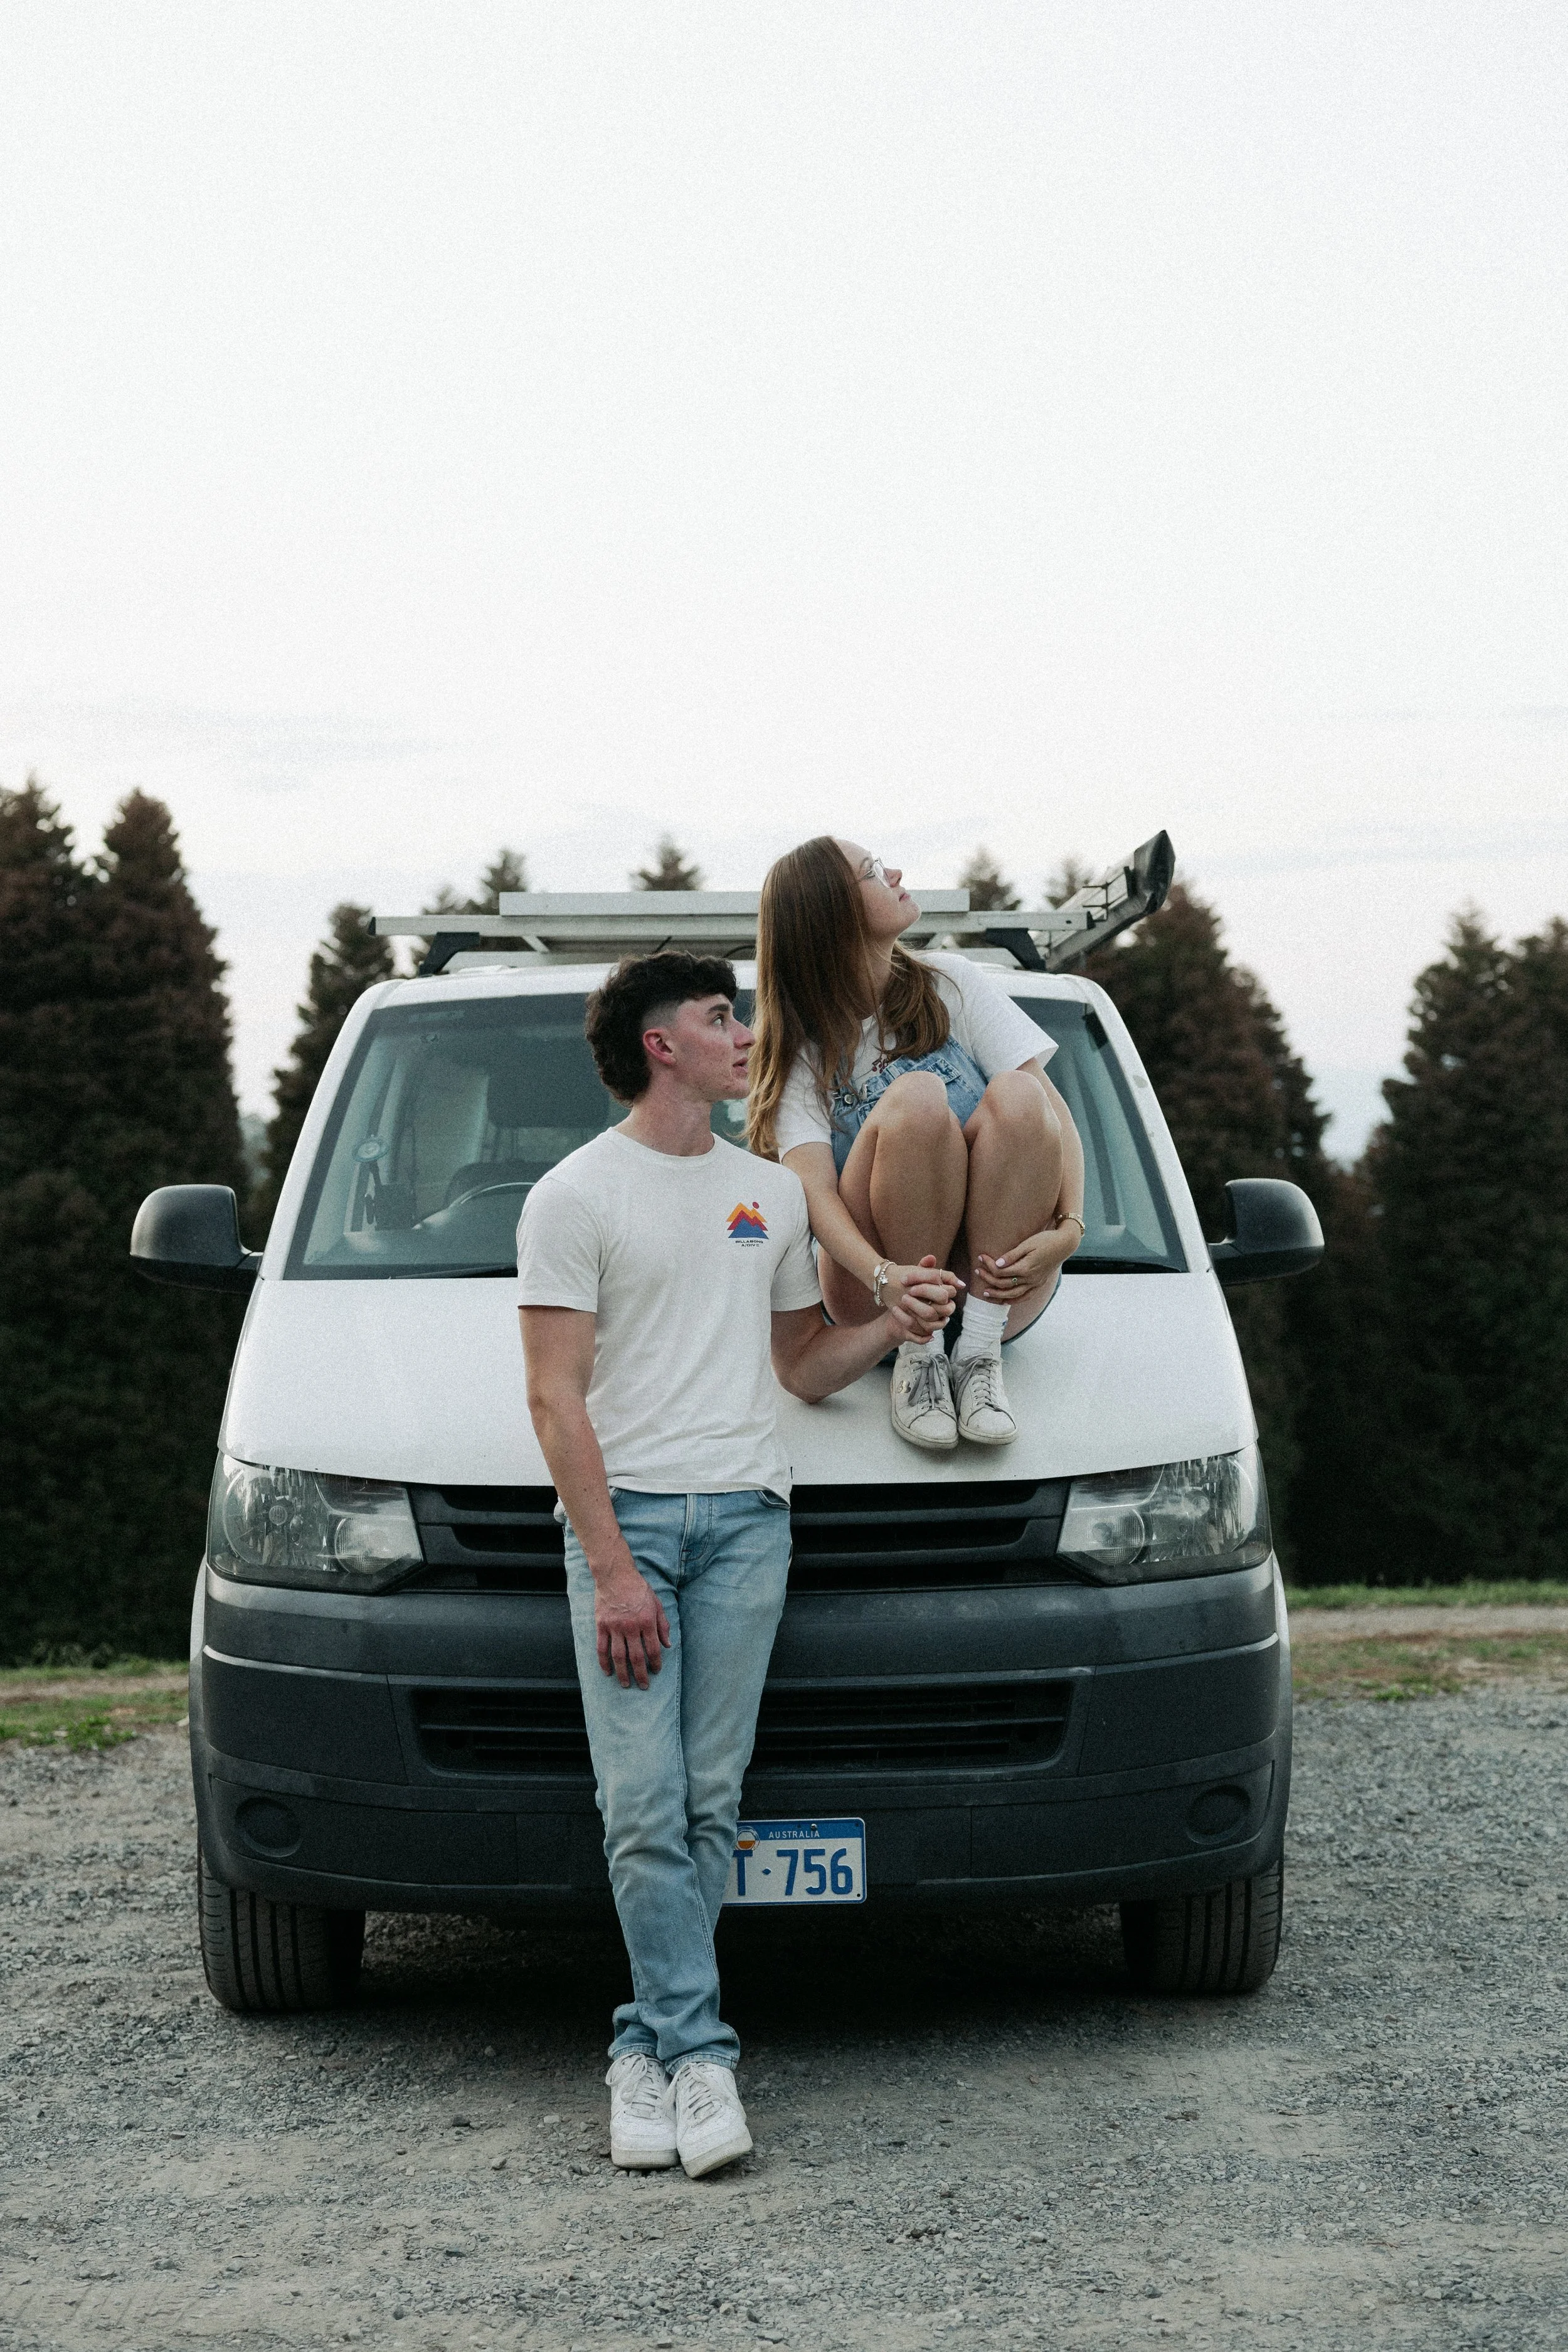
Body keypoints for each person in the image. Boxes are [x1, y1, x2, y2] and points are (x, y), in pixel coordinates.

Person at [516, 950, 950, 2180]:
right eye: (719, 1017)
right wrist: (611, 1570)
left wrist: (888, 1323)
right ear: (660, 1046)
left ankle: (641, 2056)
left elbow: (799, 1369)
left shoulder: (765, 1190)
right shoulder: (571, 1197)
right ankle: (697, 2055)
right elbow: (553, 1400)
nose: (743, 1032)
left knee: (708, 1805)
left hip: (750, 1528)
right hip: (630, 1533)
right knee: (642, 1806)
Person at [748, 837, 1086, 1451]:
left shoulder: (950, 984)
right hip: (875, 1290)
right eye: (872, 873)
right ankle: (920, 1356)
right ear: (832, 914)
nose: (896, 873)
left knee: (1016, 1092)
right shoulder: (801, 1047)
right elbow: (813, 1194)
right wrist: (884, 1279)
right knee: (919, 1097)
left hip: (1000, 1285)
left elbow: (1051, 1114)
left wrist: (1069, 1230)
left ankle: (978, 1358)